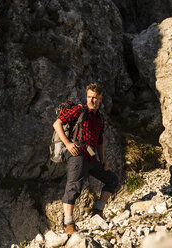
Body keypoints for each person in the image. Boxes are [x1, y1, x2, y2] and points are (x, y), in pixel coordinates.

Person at [52, 83, 119, 234]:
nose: (91, 100)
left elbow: (100, 140)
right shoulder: (79, 110)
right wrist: (68, 144)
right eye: (89, 97)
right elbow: (57, 124)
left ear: (100, 98)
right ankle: (68, 225)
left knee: (112, 179)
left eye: (95, 98)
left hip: (91, 156)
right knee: (74, 186)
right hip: (77, 153)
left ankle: (98, 211)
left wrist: (103, 160)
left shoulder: (100, 117)